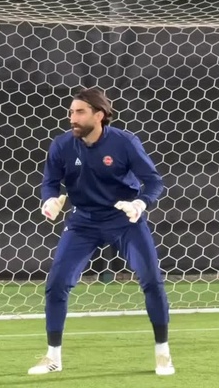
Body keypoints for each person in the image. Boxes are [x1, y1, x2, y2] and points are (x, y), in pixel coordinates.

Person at [28, 87, 175, 376]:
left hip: (125, 220)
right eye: (71, 112)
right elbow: (50, 182)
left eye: (80, 112)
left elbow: (154, 182)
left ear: (99, 115)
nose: (73, 118)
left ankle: (163, 354)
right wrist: (49, 200)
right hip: (83, 222)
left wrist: (140, 204)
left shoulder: (125, 142)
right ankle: (53, 357)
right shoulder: (62, 145)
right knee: (57, 284)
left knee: (151, 281)